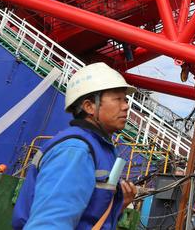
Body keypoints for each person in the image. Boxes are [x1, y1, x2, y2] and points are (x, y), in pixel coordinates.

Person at [12, 63, 139, 229]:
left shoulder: (100, 148)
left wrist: (118, 205)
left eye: (126, 100)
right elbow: (50, 223)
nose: (126, 106)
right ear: (89, 107)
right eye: (118, 99)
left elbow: (88, 218)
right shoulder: (75, 150)